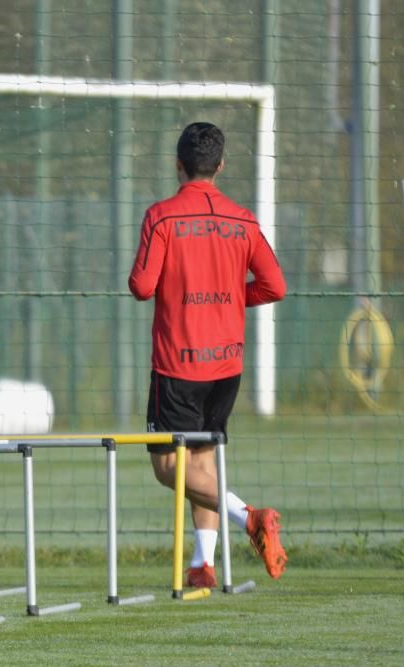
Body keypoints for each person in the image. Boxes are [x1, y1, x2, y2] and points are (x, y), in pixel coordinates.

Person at [128, 122, 288, 589]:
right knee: (201, 463)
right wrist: (232, 297)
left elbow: (140, 288)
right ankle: (202, 564)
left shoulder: (162, 216)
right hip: (227, 366)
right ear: (220, 166)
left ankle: (250, 518)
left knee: (169, 469)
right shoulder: (243, 220)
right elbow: (275, 285)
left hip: (178, 364)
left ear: (178, 165)